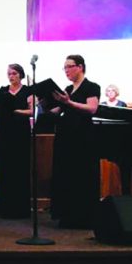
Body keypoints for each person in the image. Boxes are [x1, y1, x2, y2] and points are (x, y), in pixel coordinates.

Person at [50, 54, 100, 229]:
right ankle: (68, 214)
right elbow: (58, 110)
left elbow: (92, 108)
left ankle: (84, 216)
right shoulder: (67, 89)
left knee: (82, 175)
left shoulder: (91, 86)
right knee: (67, 174)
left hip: (83, 137)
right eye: (64, 68)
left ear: (80, 67)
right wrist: (46, 103)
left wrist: (69, 102)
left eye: (69, 67)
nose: (66, 71)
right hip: (66, 136)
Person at [0, 63, 33, 219]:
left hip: (20, 132)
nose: (11, 76)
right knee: (4, 167)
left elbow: (31, 111)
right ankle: (4, 207)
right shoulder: (3, 91)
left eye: (14, 73)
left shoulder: (28, 91)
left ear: (20, 75)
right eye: (9, 73)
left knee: (20, 167)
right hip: (5, 132)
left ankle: (20, 208)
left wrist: (16, 111)